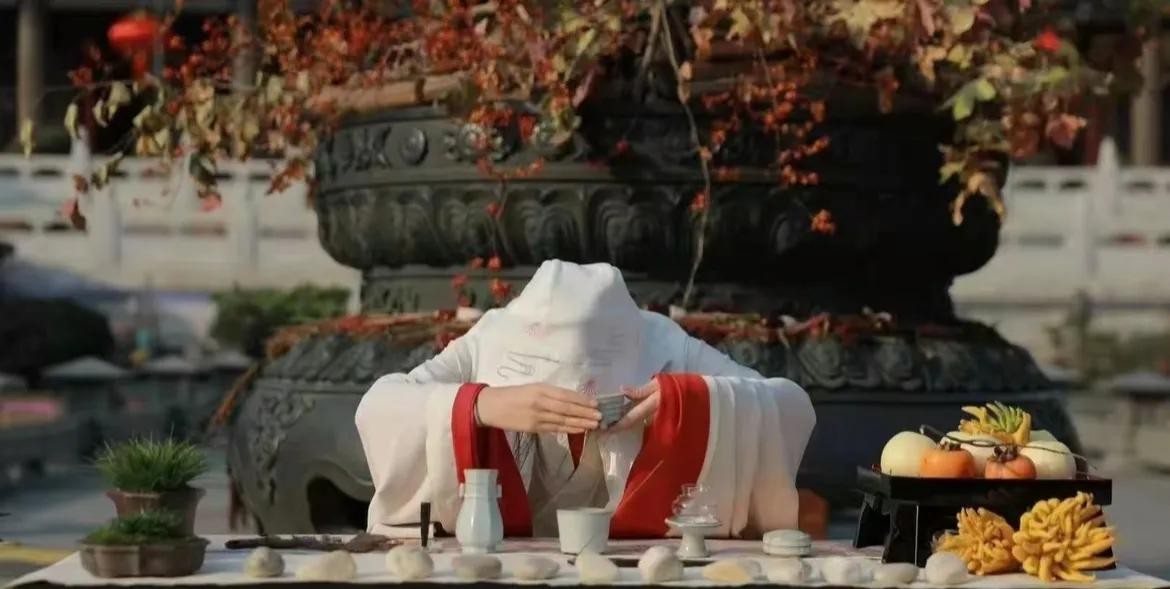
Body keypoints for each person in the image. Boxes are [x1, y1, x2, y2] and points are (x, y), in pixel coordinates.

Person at [355, 260, 816, 539]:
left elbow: (789, 405)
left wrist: (686, 398)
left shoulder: (662, 343)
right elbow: (379, 406)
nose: (582, 398)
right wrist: (479, 405)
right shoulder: (491, 338)